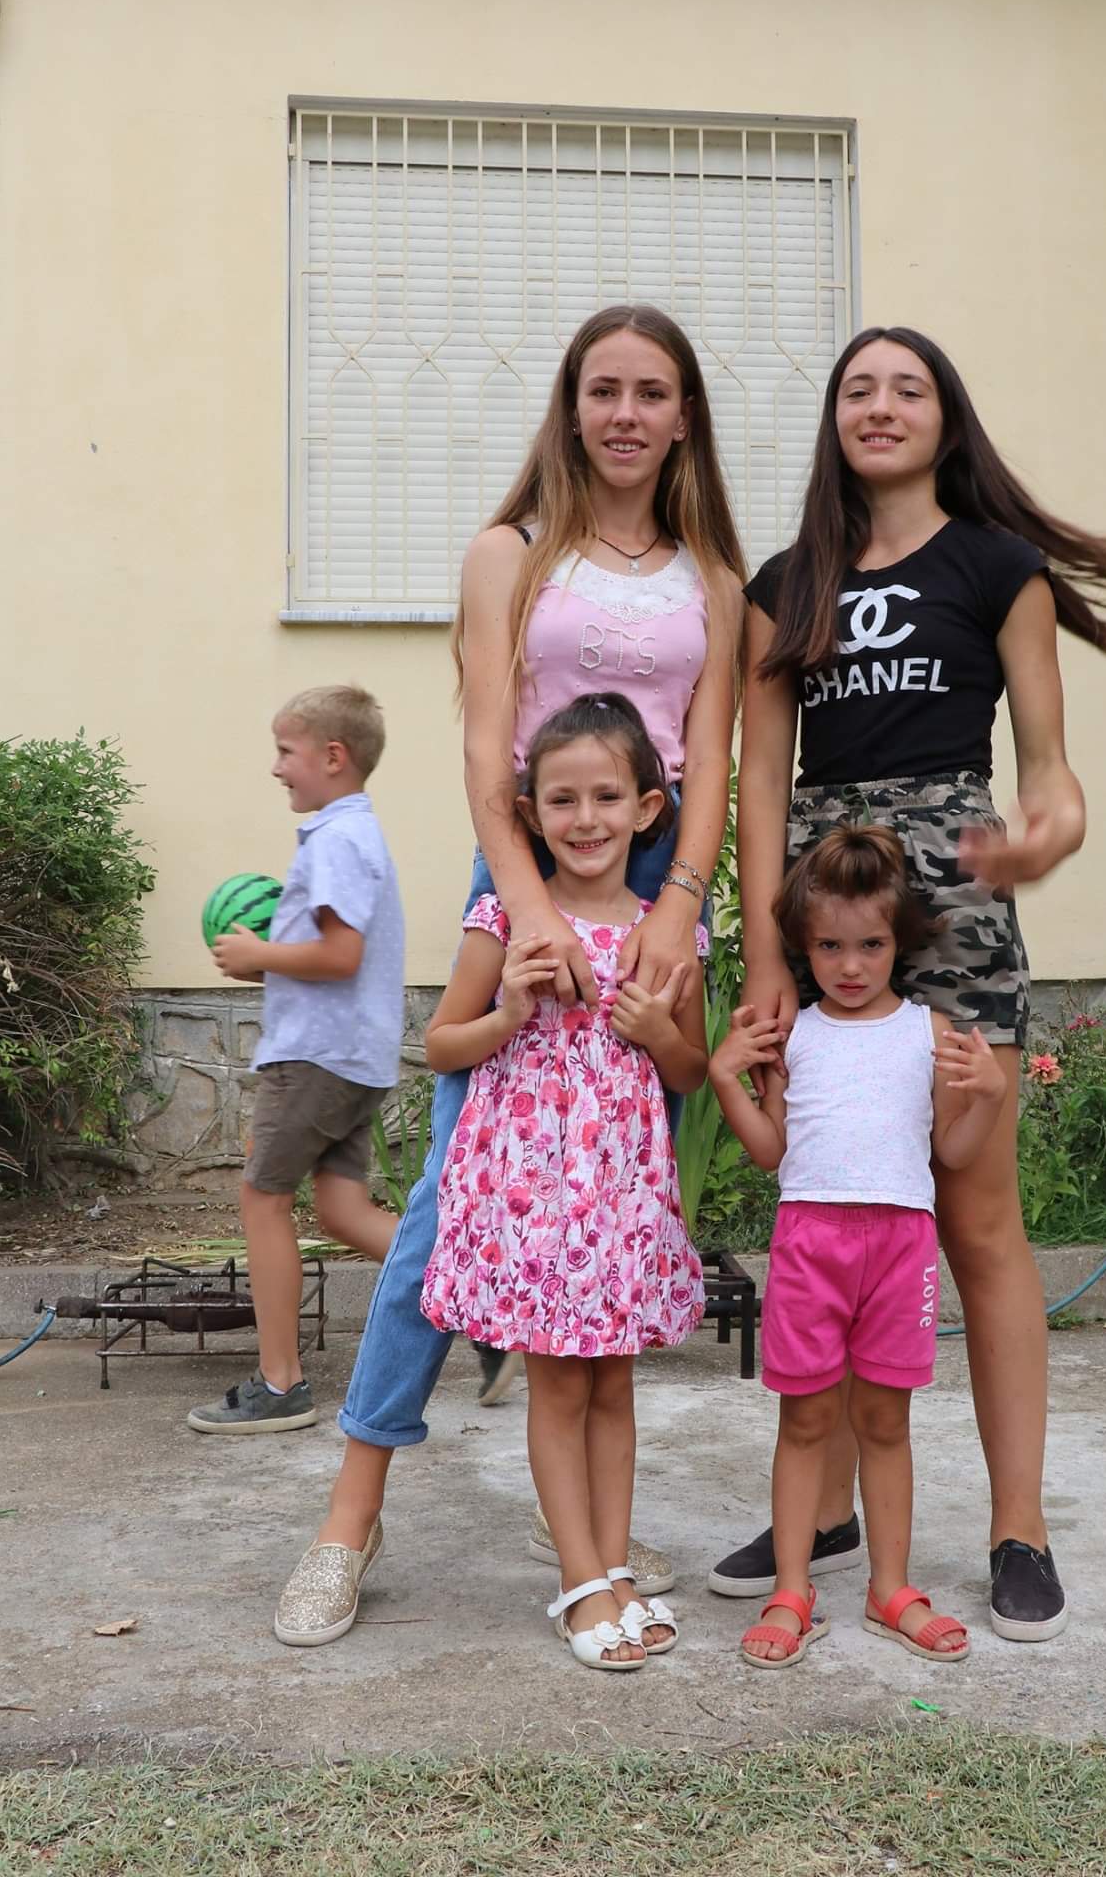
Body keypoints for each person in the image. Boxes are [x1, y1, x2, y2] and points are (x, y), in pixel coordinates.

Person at [273, 304, 745, 1648]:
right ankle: (350, 1518)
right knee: (446, 1212)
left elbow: (708, 759)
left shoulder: (715, 578)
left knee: (613, 1201)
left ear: (684, 416)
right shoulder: (510, 554)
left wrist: (679, 906)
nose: (625, 414)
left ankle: (584, 1530)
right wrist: (528, 908)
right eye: (604, 389)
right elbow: (490, 749)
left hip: (651, 896)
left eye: (651, 391)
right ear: (571, 406)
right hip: (527, 879)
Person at [714, 325, 1106, 1641]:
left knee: (978, 1223)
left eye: (907, 387)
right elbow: (759, 780)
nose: (881, 405)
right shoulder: (786, 585)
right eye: (858, 388)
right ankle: (825, 1512)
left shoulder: (998, 567)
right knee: (826, 1198)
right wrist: (765, 955)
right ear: (834, 419)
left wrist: (1047, 835)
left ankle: (1016, 1525)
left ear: (945, 417)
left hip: (956, 909)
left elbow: (1050, 772)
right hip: (825, 911)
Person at [421, 694, 709, 1670]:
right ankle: (579, 1581)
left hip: (621, 1195)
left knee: (613, 1382)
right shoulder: (507, 919)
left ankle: (615, 1568)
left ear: (647, 807)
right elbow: (441, 1045)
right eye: (561, 799)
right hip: (534, 1193)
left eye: (606, 796)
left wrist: (658, 1030)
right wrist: (507, 1010)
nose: (585, 818)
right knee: (556, 1383)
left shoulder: (668, 936)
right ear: (529, 813)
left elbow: (690, 1071)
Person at [710, 827, 1004, 1669]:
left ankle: (890, 1588)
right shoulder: (794, 1036)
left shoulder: (927, 1033)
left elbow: (950, 1153)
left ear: (897, 941)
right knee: (804, 1418)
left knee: (884, 1420)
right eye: (829, 947)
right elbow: (770, 1153)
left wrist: (986, 1097)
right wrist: (728, 1079)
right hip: (809, 1243)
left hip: (901, 1246)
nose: (849, 965)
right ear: (804, 947)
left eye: (869, 945)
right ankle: (791, 1590)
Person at [191, 686, 404, 1435]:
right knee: (343, 1211)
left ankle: (281, 1382)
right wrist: (272, 961)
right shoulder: (351, 833)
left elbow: (341, 955)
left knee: (262, 1199)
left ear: (333, 757)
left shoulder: (338, 840)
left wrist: (258, 955)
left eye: (287, 751)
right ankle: (480, 1304)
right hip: (351, 1053)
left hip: (315, 1053)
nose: (277, 767)